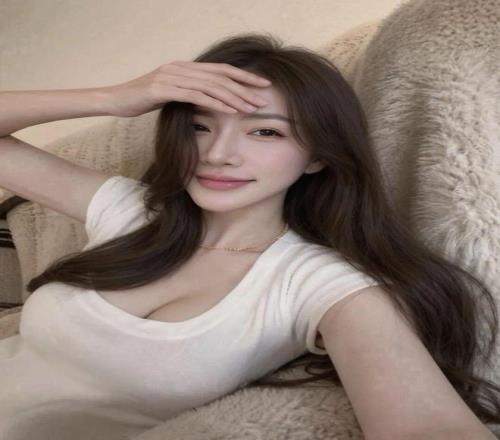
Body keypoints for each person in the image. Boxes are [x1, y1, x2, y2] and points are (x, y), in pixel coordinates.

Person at [0, 32, 498, 439]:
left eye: (265, 132)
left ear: (318, 156)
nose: (218, 154)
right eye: (200, 126)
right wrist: (113, 98)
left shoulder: (319, 284)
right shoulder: (132, 210)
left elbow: (428, 427)